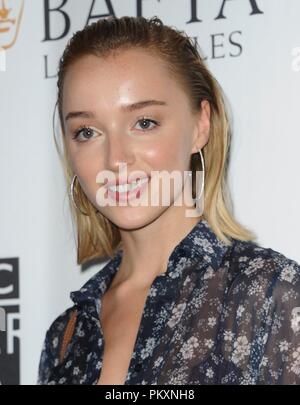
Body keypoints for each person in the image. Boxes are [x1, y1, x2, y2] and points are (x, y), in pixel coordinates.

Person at [37, 16, 300, 385]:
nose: (116, 159)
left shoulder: (271, 296)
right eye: (87, 131)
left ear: (200, 126)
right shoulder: (65, 337)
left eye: (144, 123)